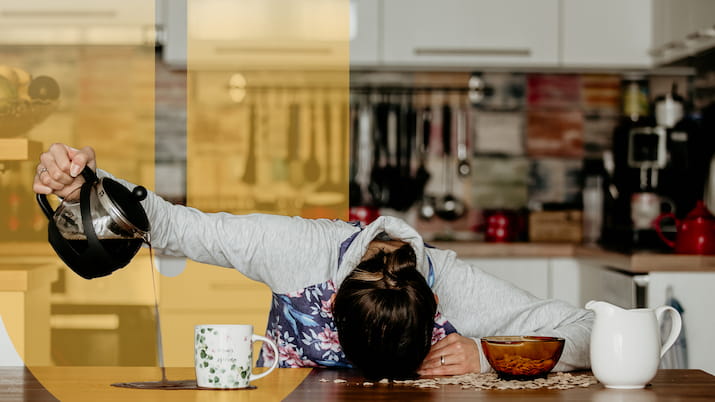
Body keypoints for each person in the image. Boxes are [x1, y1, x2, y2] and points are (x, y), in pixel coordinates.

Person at [33, 143, 593, 380]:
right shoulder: (298, 251)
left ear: (437, 305)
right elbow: (177, 226)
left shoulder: (459, 285)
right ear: (330, 296)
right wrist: (86, 184)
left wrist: (487, 354)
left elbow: (590, 330)